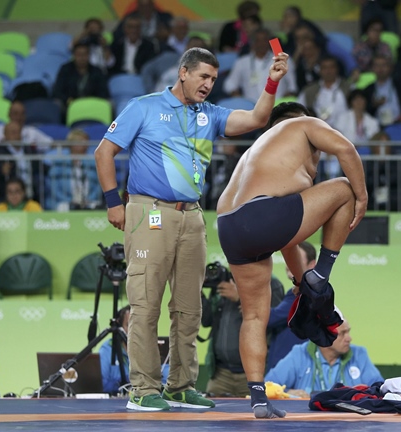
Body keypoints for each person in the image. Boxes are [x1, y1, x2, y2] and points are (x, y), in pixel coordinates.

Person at [94, 46, 289, 411]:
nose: (208, 85)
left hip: (192, 216)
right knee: (146, 303)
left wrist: (272, 81)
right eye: (203, 77)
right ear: (183, 72)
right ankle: (142, 389)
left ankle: (180, 386)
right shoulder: (144, 106)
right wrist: (112, 202)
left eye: (213, 79)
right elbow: (104, 152)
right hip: (150, 211)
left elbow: (257, 119)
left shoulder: (209, 115)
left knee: (189, 308)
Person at [216, 102, 368, 418]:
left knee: (254, 317)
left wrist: (301, 282)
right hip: (263, 214)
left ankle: (258, 398)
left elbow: (287, 239)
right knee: (344, 187)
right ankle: (323, 272)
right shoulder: (304, 124)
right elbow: (346, 149)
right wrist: (363, 197)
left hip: (229, 225)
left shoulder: (257, 154)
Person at [201, 267, 284, 397]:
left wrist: (240, 297)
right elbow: (206, 321)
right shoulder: (223, 281)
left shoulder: (269, 283)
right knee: (211, 412)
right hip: (220, 374)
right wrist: (197, 292)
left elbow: (273, 321)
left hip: (253, 374)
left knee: (256, 412)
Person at [265, 318, 384, 398]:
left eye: (348, 332)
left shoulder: (359, 354)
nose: (349, 338)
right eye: (342, 333)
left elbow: (381, 390)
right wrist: (288, 394)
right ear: (325, 336)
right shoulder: (300, 354)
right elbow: (267, 387)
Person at [266, 242, 316, 373]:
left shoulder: (306, 292)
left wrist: (243, 299)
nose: (290, 262)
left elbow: (270, 319)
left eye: (296, 257)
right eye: (289, 257)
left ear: (312, 265)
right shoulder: (304, 291)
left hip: (291, 370)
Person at [99, 305, 170, 395]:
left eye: (138, 326)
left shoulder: (149, 347)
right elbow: (101, 384)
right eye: (129, 325)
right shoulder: (107, 349)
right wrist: (132, 381)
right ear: (120, 327)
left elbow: (167, 375)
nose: (134, 331)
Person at [224, 28, 298, 103]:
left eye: (264, 40)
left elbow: (292, 87)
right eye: (258, 40)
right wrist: (239, 98)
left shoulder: (282, 59)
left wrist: (282, 104)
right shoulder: (242, 62)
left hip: (277, 104)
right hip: (250, 106)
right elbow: (230, 84)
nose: (261, 43)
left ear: (269, 42)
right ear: (252, 43)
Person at [46, 129, 103, 211]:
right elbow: (53, 188)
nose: (86, 146)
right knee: (63, 207)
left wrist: (88, 200)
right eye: (82, 142)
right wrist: (70, 202)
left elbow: (98, 186)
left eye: (87, 143)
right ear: (71, 144)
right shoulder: (59, 163)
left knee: (96, 206)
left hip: (88, 202)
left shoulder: (92, 164)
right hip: (63, 202)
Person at [52, 42, 110, 115]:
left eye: (85, 54)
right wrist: (68, 100)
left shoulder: (97, 71)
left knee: (109, 104)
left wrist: (92, 101)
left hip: (92, 104)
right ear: (74, 55)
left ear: (89, 55)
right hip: (69, 104)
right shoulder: (65, 69)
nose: (82, 58)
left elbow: (104, 92)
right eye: (79, 55)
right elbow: (58, 90)